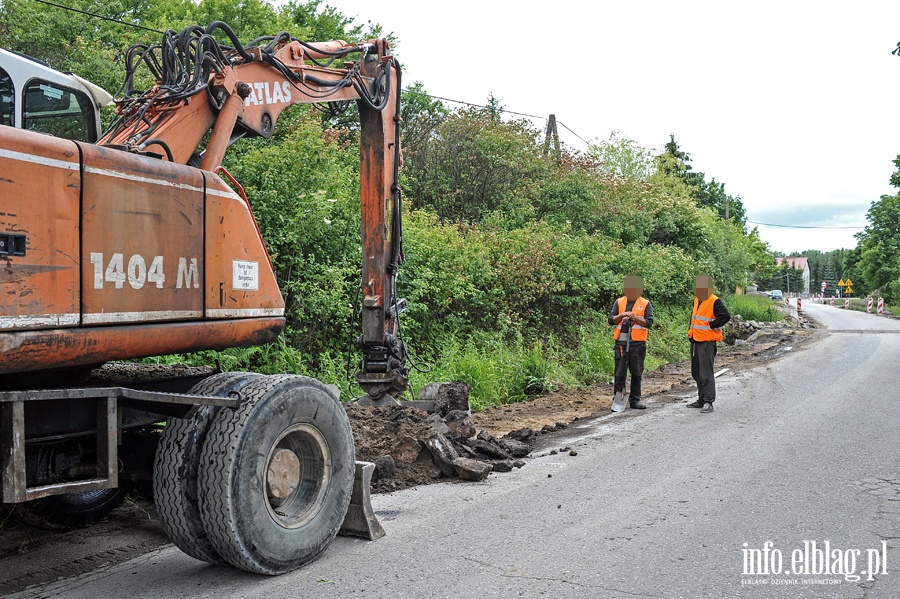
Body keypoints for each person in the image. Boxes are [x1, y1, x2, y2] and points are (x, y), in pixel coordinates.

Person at [609, 275, 653, 410]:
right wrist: (622, 316)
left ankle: (635, 400)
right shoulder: (619, 302)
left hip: (638, 344)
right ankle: (618, 401)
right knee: (619, 373)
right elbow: (611, 320)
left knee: (636, 373)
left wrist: (636, 318)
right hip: (621, 343)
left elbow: (649, 322)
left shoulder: (645, 303)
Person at [687, 276, 730, 413]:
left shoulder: (714, 301)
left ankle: (708, 402)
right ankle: (701, 399)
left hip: (706, 342)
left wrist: (713, 325)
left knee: (706, 373)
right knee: (696, 372)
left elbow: (725, 316)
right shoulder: (696, 300)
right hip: (696, 340)